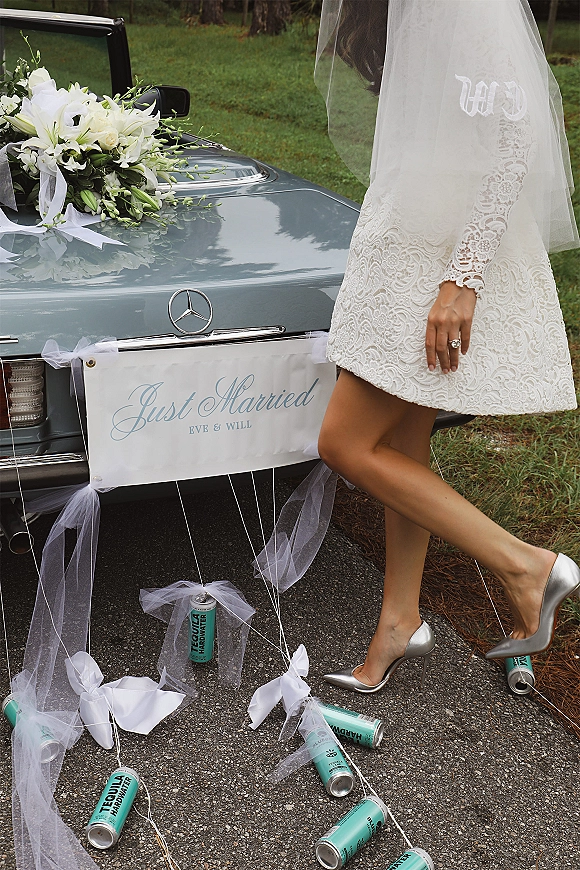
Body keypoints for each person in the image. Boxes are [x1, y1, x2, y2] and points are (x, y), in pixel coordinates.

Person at [314, 0, 580, 693]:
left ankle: (526, 565)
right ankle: (398, 620)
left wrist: (462, 278)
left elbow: (518, 135)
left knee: (343, 443)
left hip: (437, 252)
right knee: (402, 447)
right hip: (405, 227)